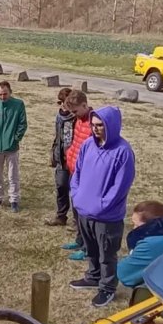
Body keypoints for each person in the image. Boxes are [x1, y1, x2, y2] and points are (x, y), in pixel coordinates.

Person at [69, 106, 136, 308]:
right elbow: (77, 172)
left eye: (100, 125)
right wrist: (76, 195)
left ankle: (107, 287)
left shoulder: (123, 152)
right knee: (90, 249)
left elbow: (120, 187)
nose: (95, 129)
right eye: (93, 125)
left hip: (107, 217)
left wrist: (101, 206)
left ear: (111, 126)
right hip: (83, 210)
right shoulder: (88, 144)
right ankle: (93, 276)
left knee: (106, 254)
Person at [59, 90, 92, 260]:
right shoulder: (79, 119)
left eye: (76, 111)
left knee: (84, 213)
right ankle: (79, 240)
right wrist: (69, 154)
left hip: (85, 174)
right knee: (76, 210)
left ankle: (87, 248)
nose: (73, 114)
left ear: (84, 105)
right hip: (74, 171)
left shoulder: (94, 123)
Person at [0, 81, 28, 213]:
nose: (2, 97)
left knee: (13, 175)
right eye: (0, 95)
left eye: (5, 94)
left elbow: (22, 124)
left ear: (10, 92)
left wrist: (15, 139)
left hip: (11, 147)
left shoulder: (18, 105)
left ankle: (14, 199)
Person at [45, 88, 76, 227]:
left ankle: (77, 221)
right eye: (62, 103)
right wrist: (54, 153)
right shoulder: (59, 116)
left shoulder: (77, 117)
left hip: (74, 159)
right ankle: (61, 216)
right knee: (61, 187)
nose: (64, 106)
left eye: (68, 103)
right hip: (61, 159)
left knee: (75, 191)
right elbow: (58, 136)